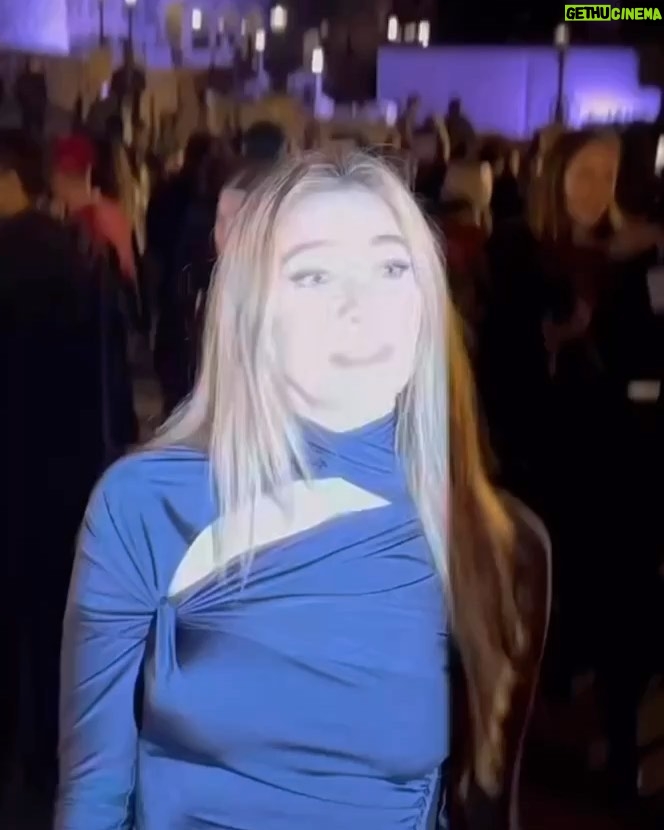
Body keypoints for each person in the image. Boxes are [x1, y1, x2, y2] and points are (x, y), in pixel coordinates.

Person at [56, 151, 548, 830]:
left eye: (391, 267)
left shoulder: (488, 536)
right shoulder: (148, 504)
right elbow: (93, 793)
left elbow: (486, 802)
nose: (360, 307)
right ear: (252, 310)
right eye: (314, 274)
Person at [0, 128, 127, 810]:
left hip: (13, 471)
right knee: (53, 623)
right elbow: (101, 376)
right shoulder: (72, 256)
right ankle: (52, 762)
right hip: (63, 473)